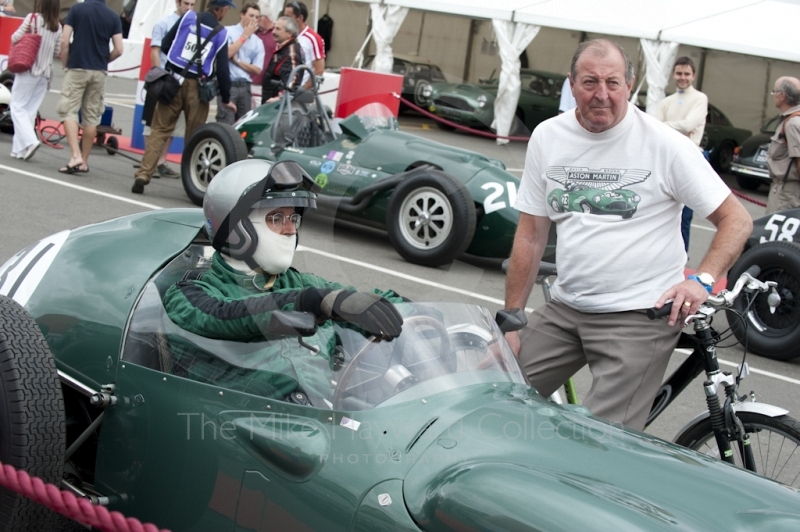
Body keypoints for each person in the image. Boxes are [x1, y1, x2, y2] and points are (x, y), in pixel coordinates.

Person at [503, 39, 752, 432]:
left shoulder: (665, 144)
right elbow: (531, 235)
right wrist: (512, 320)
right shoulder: (548, 138)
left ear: (630, 86)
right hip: (567, 308)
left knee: (597, 441)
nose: (601, 94)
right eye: (589, 82)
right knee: (494, 396)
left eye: (613, 82)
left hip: (638, 315)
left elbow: (736, 219)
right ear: (571, 84)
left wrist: (701, 281)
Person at [162, 159, 404, 404]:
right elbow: (226, 315)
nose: (290, 230)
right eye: (277, 219)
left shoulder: (299, 283)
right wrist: (305, 302)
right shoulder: (189, 294)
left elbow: (356, 301)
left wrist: (410, 311)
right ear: (237, 229)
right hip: (237, 422)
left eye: (294, 219)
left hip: (314, 412)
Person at [132, 0, 235, 195]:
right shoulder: (221, 33)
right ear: (221, 10)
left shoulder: (188, 18)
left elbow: (165, 44)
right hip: (198, 87)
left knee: (160, 130)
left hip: (173, 81)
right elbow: (222, 70)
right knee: (194, 136)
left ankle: (143, 174)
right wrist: (226, 97)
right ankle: (192, 183)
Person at [56, 0, 123, 174]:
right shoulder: (113, 16)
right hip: (99, 70)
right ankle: (84, 161)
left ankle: (75, 155)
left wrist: (65, 63)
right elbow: (119, 49)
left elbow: (64, 40)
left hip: (77, 66)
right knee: (91, 117)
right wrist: (104, 60)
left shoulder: (77, 9)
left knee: (68, 110)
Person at [656, 56, 709, 251]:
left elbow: (688, 124)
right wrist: (676, 129)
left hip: (691, 159)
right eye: (679, 73)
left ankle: (681, 257)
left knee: (684, 216)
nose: (683, 77)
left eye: (687, 74)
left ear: (693, 75)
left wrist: (665, 127)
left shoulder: (700, 98)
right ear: (673, 75)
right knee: (663, 213)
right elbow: (656, 127)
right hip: (667, 158)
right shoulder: (667, 101)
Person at [142, 0, 196, 179]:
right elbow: (155, 51)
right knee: (152, 124)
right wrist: (161, 77)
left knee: (173, 126)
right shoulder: (163, 24)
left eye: (192, 4)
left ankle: (161, 161)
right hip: (164, 78)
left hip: (182, 82)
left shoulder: (194, 26)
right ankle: (149, 162)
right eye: (185, 3)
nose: (188, 8)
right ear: (177, 3)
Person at [9, 0, 61, 161]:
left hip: (29, 69)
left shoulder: (32, 18)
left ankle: (30, 142)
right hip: (45, 74)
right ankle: (19, 149)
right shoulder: (58, 26)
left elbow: (15, 37)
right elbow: (57, 50)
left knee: (17, 107)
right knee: (29, 112)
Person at [216, 2, 264, 124]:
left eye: (257, 17)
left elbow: (258, 69)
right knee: (226, 123)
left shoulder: (258, 42)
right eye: (251, 15)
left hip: (245, 85)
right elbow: (226, 54)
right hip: (229, 83)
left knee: (244, 124)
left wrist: (237, 61)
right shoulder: (228, 31)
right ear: (242, 15)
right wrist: (245, 35)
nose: (254, 19)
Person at [765, 77, 800, 214]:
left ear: (782, 96)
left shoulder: (793, 123)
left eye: (774, 92)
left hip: (788, 193)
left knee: (777, 234)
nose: (773, 95)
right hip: (786, 190)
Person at [260, 16, 303, 104]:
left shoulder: (291, 52)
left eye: (278, 29)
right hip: (272, 104)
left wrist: (280, 98)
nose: (273, 32)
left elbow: (293, 81)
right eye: (274, 28)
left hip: (277, 107)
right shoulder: (284, 49)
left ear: (289, 33)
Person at [283, 1, 324, 89]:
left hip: (300, 92)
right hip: (284, 90)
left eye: (288, 17)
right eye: (284, 16)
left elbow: (319, 70)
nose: (285, 20)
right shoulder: (285, 35)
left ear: (300, 18)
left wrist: (302, 89)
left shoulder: (313, 38)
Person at [251, 8, 276, 86]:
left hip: (269, 83)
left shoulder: (277, 33)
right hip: (251, 81)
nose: (255, 20)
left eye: (258, 17)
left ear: (266, 17)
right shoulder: (253, 33)